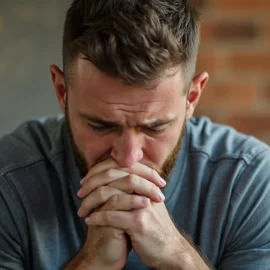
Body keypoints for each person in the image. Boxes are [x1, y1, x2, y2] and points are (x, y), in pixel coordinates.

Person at [1, 0, 270, 269]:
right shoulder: (9, 181)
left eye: (154, 128)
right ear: (62, 92)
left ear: (192, 97)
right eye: (100, 125)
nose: (129, 159)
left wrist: (179, 257)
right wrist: (92, 262)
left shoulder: (250, 183)